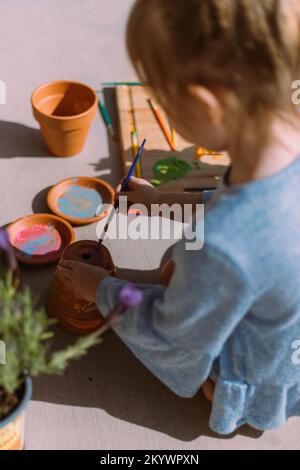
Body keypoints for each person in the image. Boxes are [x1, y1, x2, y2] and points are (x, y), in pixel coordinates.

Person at [58, 0, 300, 434]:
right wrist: (160, 200)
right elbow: (246, 204)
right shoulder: (283, 144)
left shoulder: (223, 247)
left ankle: (246, 394)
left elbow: (175, 342)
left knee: (205, 377)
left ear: (205, 106)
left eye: (161, 98)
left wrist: (99, 289)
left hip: (271, 355)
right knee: (181, 268)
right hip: (286, 308)